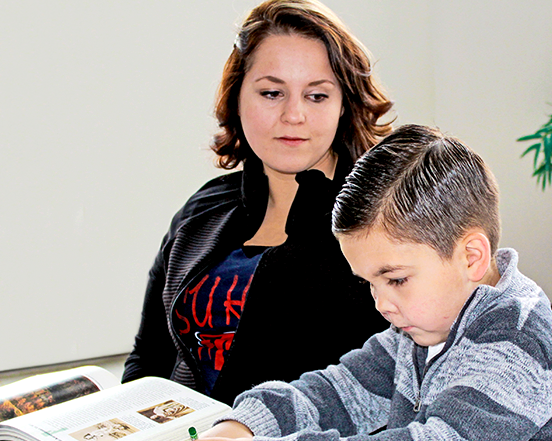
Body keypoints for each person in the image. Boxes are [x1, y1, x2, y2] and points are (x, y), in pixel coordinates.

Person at [157, 124, 552, 441]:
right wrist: (247, 425)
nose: (381, 304)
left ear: (471, 256)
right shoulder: (423, 325)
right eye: (370, 283)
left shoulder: (517, 337)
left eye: (396, 280)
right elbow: (340, 390)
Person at [121, 0, 392, 404]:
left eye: (316, 96)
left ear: (344, 105)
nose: (293, 114)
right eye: (271, 92)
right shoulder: (203, 211)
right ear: (237, 97)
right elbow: (149, 358)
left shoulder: (386, 222)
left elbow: (392, 384)